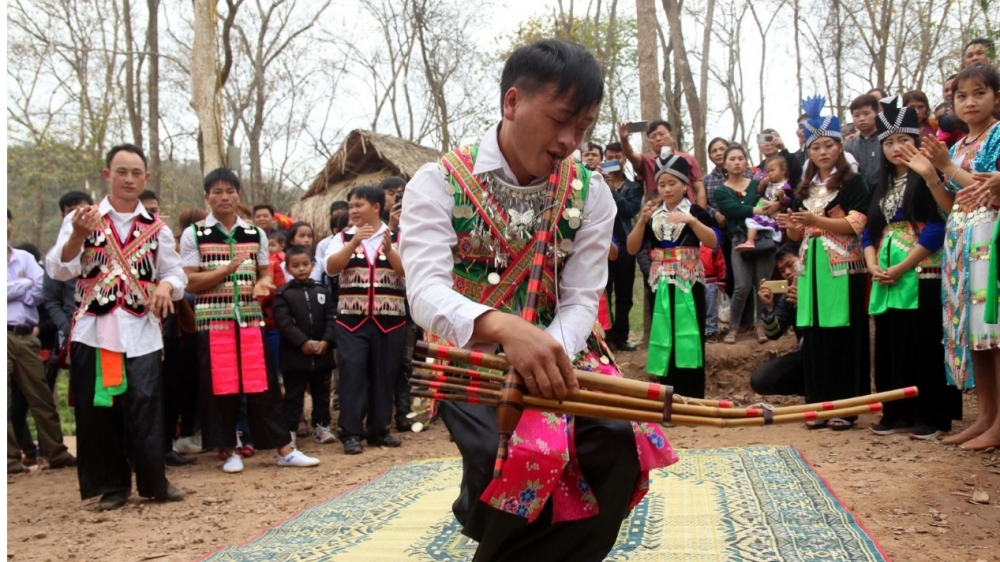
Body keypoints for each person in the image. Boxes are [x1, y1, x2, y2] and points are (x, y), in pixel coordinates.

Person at [399, 39, 678, 561]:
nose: (570, 141)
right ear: (512, 102)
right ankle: (481, 506)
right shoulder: (437, 183)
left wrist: (545, 351)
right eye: (561, 119)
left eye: (584, 127)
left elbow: (580, 299)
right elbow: (425, 292)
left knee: (616, 441)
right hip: (473, 356)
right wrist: (505, 329)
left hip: (566, 351)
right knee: (511, 457)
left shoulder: (592, 192)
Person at [45, 144, 185, 509]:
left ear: (146, 177)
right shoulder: (82, 219)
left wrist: (166, 287)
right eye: (121, 172)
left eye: (136, 173)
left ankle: (154, 482)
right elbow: (58, 269)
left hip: (141, 331)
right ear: (107, 175)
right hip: (93, 329)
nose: (129, 179)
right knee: (99, 409)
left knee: (146, 405)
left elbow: (174, 271)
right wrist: (77, 236)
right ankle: (111, 486)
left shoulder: (156, 228)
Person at [179, 167, 319, 473]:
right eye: (217, 192)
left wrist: (262, 285)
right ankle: (229, 450)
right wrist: (225, 270)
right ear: (206, 197)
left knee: (264, 385)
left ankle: (284, 449)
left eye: (230, 191)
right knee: (221, 387)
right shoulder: (194, 234)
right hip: (213, 321)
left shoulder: (254, 233)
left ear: (238, 195)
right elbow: (189, 281)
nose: (224, 197)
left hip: (250, 321)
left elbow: (264, 274)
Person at [862, 97, 961, 439]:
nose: (896, 148)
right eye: (888, 142)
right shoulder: (879, 186)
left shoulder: (929, 179)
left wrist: (903, 265)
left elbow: (937, 226)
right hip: (886, 273)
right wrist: (872, 264)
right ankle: (896, 411)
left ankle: (930, 414)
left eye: (903, 140)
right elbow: (869, 231)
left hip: (921, 270)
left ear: (917, 142)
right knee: (891, 342)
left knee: (924, 341)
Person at [915, 64, 1000, 450]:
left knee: (994, 331)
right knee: (975, 333)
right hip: (961, 239)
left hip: (990, 238)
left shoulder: (998, 135)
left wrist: (947, 167)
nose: (970, 102)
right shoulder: (958, 146)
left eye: (979, 93)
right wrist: (932, 175)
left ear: (996, 97)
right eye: (961, 96)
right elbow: (951, 206)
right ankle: (985, 417)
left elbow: (991, 193)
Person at [777, 96, 871, 432]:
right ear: (809, 152)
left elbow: (857, 223)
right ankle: (817, 403)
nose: (823, 152)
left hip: (842, 265)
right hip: (811, 265)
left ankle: (846, 406)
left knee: (842, 335)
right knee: (814, 336)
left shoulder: (854, 182)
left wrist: (816, 221)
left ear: (840, 147)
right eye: (816, 147)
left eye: (829, 145)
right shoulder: (805, 188)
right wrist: (793, 225)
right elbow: (798, 233)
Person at [626, 155, 719, 397]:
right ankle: (668, 398)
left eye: (672, 183)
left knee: (689, 335)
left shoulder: (695, 211)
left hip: (689, 283)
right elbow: (632, 248)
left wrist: (692, 221)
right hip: (661, 283)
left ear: (684, 185)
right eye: (662, 184)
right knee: (664, 335)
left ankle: (693, 397)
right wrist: (641, 222)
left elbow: (713, 241)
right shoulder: (652, 215)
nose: (667, 189)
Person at [324, 185, 407, 454]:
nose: (353, 211)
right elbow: (331, 268)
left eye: (359, 205)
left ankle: (379, 430)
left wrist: (390, 251)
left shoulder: (398, 237)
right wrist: (352, 244)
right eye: (350, 206)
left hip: (390, 320)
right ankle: (351, 433)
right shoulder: (342, 237)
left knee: (385, 374)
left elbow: (408, 272)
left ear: (376, 207)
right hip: (351, 321)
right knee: (352, 374)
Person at [7, 212, 77, 475]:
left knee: (41, 396)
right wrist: (24, 284)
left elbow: (42, 289)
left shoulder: (25, 258)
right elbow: (31, 287)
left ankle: (55, 453)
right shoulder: (26, 267)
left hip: (27, 336)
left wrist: (17, 289)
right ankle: (9, 459)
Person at [715, 144, 780, 345]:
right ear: (725, 164)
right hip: (739, 239)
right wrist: (758, 210)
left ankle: (762, 326)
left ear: (746, 161)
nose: (737, 162)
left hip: (764, 238)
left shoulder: (759, 185)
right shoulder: (721, 191)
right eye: (732, 159)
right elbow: (732, 210)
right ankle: (733, 327)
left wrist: (775, 204)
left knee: (763, 284)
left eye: (740, 158)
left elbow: (772, 200)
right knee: (741, 286)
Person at [274, 246, 338, 445]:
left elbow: (332, 318)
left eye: (305, 264)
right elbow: (284, 323)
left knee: (322, 394)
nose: (301, 269)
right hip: (295, 357)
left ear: (313, 265)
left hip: (322, 355)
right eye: (295, 265)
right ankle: (290, 431)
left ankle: (321, 427)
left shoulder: (322, 291)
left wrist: (327, 341)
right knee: (293, 395)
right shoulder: (283, 294)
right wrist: (302, 342)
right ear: (287, 268)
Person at [602, 141, 643, 351]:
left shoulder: (634, 187)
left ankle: (621, 336)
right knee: (604, 291)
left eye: (617, 157)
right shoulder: (597, 182)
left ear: (624, 159)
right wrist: (603, 185)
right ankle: (605, 336)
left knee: (624, 293)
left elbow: (630, 210)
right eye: (609, 157)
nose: (613, 161)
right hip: (603, 245)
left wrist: (613, 191)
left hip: (626, 245)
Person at [750, 246, 805, 396]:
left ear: (802, 260)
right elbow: (773, 333)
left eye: (790, 265)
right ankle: (812, 392)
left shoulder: (821, 286)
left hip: (829, 353)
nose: (787, 272)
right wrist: (768, 306)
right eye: (782, 270)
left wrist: (806, 302)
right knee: (760, 379)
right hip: (805, 356)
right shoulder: (788, 297)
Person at [618, 120, 707, 207]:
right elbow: (630, 154)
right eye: (653, 136)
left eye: (662, 134)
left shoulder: (688, 159)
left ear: (671, 135)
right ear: (649, 141)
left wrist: (700, 213)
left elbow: (699, 189)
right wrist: (624, 139)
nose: (658, 139)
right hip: (657, 211)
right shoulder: (646, 161)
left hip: (687, 210)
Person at [738, 155, 793, 253]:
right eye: (768, 172)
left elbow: (788, 200)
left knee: (754, 222)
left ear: (783, 170)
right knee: (751, 220)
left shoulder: (785, 185)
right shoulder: (769, 183)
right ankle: (750, 241)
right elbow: (759, 191)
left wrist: (782, 197)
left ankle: (753, 241)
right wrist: (762, 183)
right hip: (762, 209)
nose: (770, 174)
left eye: (772, 170)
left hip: (775, 214)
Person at [844, 94, 883, 190]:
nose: (861, 118)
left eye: (866, 113)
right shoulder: (848, 147)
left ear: (877, 113)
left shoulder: (885, 142)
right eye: (857, 115)